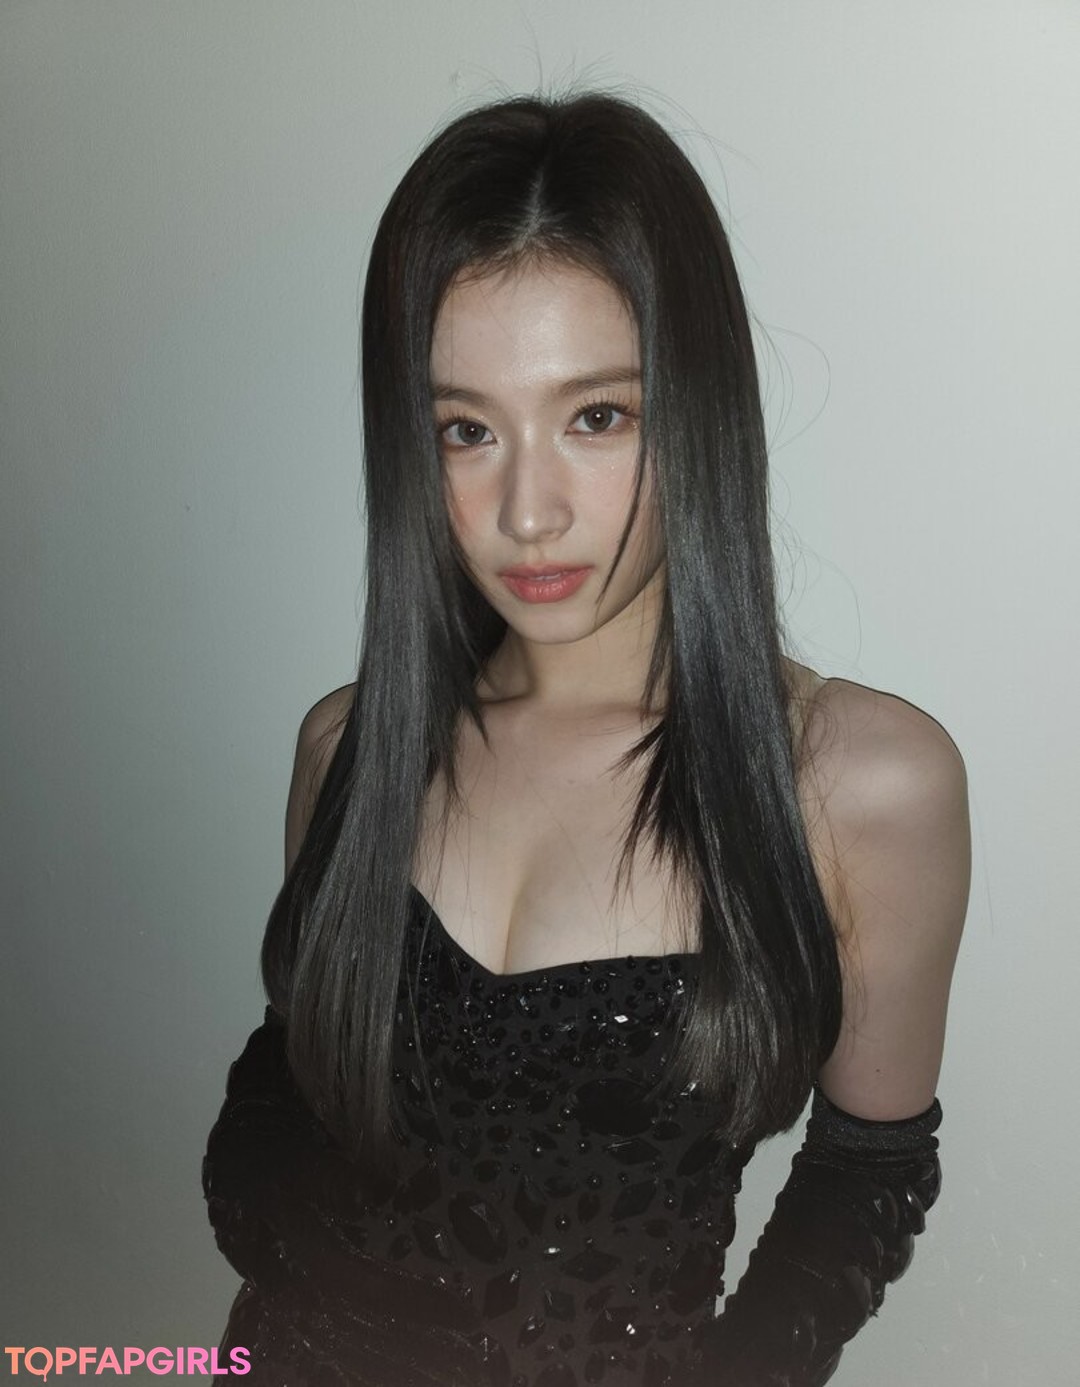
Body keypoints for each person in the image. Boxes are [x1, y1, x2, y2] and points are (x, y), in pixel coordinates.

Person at [202, 91, 970, 1387]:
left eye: (596, 416)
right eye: (466, 429)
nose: (528, 510)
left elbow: (867, 1169)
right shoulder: (348, 750)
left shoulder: (859, 786)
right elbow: (289, 1082)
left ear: (695, 406)